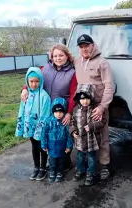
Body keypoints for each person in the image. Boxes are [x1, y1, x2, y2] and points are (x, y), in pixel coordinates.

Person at [21, 44, 77, 172]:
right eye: (55, 55)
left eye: (61, 55)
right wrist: (24, 89)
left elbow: (73, 94)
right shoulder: (45, 68)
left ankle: (65, 163)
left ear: (67, 56)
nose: (58, 58)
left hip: (61, 111)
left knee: (63, 137)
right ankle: (50, 163)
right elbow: (33, 79)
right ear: (51, 57)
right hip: (45, 110)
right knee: (48, 136)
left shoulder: (72, 73)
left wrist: (69, 113)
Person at [74, 34, 115, 180]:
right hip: (82, 107)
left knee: (102, 137)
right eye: (81, 46)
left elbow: (109, 86)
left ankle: (104, 165)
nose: (84, 49)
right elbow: (57, 63)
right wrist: (25, 87)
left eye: (87, 45)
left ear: (93, 45)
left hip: (97, 107)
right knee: (83, 135)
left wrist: (103, 107)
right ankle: (85, 166)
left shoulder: (102, 63)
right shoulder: (77, 61)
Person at [15, 67, 51, 181]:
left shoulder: (44, 96)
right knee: (34, 146)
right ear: (27, 81)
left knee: (42, 147)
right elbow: (22, 110)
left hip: (40, 127)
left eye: (37, 81)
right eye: (31, 81)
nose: (34, 84)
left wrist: (40, 129)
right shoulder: (25, 95)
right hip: (30, 126)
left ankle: (43, 168)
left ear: (40, 81)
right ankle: (36, 166)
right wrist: (22, 125)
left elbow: (45, 114)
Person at [70, 84, 107, 186]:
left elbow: (102, 121)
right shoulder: (76, 109)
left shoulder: (94, 110)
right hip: (80, 140)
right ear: (78, 99)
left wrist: (91, 126)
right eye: (82, 99)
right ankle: (81, 170)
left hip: (92, 139)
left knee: (91, 157)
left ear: (91, 98)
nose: (84, 101)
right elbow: (72, 122)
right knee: (80, 156)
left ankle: (91, 173)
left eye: (87, 98)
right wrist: (73, 131)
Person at [41, 97, 73, 183]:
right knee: (52, 161)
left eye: (61, 112)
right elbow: (43, 134)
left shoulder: (66, 122)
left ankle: (59, 172)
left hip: (62, 147)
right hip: (51, 147)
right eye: (56, 112)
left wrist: (69, 146)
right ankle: (52, 172)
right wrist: (44, 145)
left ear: (64, 112)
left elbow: (69, 135)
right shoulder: (48, 121)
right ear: (53, 111)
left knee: (61, 161)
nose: (58, 114)